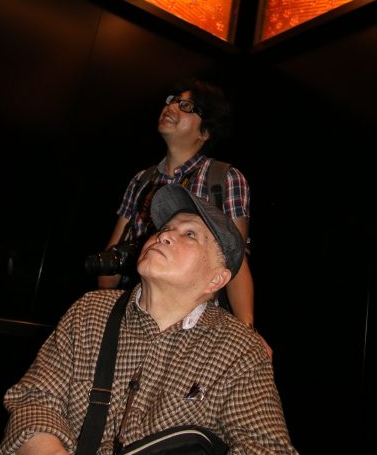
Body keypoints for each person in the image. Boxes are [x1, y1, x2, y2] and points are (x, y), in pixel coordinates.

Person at [0, 184, 308, 455]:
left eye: (190, 234)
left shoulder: (239, 350)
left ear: (216, 279)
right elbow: (32, 403)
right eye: (165, 228)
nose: (164, 236)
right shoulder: (89, 312)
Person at [97, 78, 272, 357]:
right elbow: (109, 269)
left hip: (196, 330)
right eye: (171, 101)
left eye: (187, 106)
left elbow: (235, 263)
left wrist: (247, 334)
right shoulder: (141, 181)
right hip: (138, 316)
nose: (171, 107)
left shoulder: (224, 179)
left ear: (205, 132)